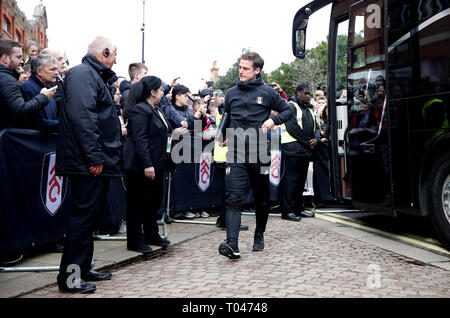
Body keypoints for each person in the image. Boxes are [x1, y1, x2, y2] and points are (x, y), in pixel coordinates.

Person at [55, 36, 122, 294]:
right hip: (87, 161)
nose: (116, 59)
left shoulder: (91, 75)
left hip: (93, 159)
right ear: (105, 52)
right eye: (114, 54)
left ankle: (83, 268)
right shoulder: (84, 74)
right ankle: (71, 278)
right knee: (82, 220)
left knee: (90, 218)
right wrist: (94, 157)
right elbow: (83, 118)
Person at [217, 52, 293, 259]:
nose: (241, 71)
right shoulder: (231, 92)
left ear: (257, 70)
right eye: (240, 67)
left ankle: (259, 234)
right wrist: (222, 135)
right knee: (233, 198)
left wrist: (273, 121)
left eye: (246, 68)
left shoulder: (267, 92)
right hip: (236, 153)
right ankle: (232, 244)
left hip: (260, 154)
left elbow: (288, 111)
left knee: (262, 198)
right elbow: (227, 116)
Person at [122, 76, 172, 254]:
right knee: (136, 203)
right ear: (152, 92)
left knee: (152, 202)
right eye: (160, 89)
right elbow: (140, 139)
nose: (163, 92)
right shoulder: (139, 110)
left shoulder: (155, 109)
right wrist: (147, 165)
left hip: (156, 163)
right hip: (139, 165)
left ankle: (152, 234)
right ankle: (135, 240)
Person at [279, 83, 321, 222]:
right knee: (291, 181)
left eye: (309, 93)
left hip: (304, 150)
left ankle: (298, 209)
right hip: (293, 149)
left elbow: (316, 126)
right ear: (298, 93)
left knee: (301, 182)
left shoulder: (309, 108)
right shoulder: (291, 106)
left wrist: (316, 138)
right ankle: (287, 211)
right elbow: (292, 127)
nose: (308, 96)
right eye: (305, 93)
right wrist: (308, 141)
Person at [0, 39, 56, 131]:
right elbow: (20, 111)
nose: (22, 61)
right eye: (18, 57)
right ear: (5, 58)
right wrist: (43, 97)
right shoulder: (6, 80)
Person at [21, 54, 60, 132]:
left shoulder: (48, 88)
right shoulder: (27, 88)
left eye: (56, 69)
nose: (56, 73)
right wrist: (62, 125)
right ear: (39, 71)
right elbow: (34, 122)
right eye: (52, 69)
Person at [313, 96, 335, 204]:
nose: (322, 106)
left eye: (323, 103)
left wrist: (323, 140)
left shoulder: (330, 124)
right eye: (319, 103)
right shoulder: (317, 122)